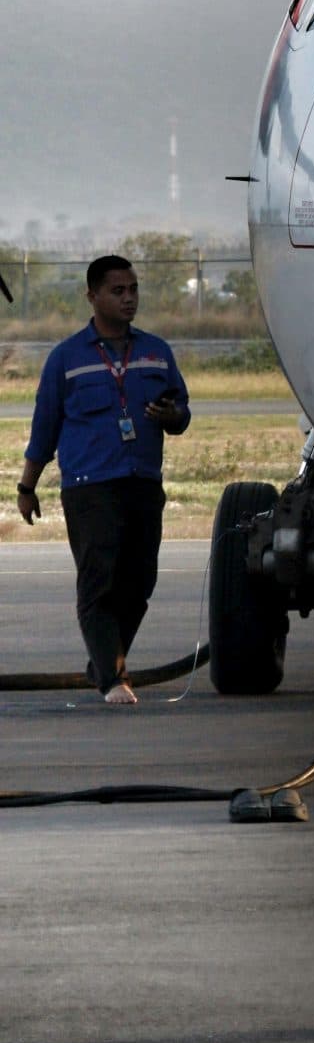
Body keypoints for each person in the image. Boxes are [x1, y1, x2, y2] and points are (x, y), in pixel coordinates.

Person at [16, 254, 191, 705]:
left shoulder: (156, 352)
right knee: (99, 581)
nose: (129, 298)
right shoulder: (66, 359)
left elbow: (182, 414)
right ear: (92, 296)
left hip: (142, 482)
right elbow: (44, 428)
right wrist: (26, 487)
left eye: (133, 289)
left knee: (139, 582)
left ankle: (102, 662)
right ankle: (114, 679)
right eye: (118, 291)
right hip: (89, 486)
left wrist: (173, 415)